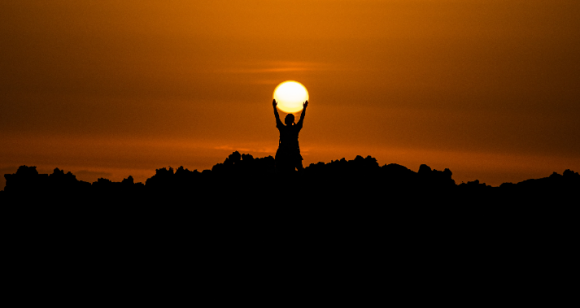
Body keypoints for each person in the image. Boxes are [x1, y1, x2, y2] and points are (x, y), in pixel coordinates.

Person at [273, 99, 308, 173]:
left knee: (278, 170)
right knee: (300, 170)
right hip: (292, 152)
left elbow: (277, 117)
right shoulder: (295, 129)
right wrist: (304, 108)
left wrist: (274, 107)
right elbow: (302, 118)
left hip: (285, 153)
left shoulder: (283, 128)